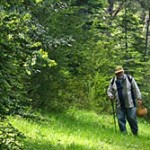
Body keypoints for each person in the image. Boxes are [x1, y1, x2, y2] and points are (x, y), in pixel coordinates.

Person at [107, 65, 142, 135]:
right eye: (117, 73)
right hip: (119, 104)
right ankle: (123, 133)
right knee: (120, 119)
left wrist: (139, 98)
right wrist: (110, 95)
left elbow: (136, 89)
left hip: (130, 103)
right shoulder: (113, 81)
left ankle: (135, 133)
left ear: (123, 72)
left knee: (132, 119)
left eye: (120, 72)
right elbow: (109, 91)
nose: (119, 74)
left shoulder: (129, 78)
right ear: (115, 73)